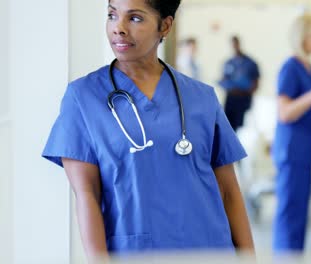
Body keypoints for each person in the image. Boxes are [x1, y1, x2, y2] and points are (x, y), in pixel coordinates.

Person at [42, 0, 254, 260]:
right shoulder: (83, 97)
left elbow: (229, 190)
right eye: (112, 15)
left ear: (165, 26)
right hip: (136, 253)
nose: (118, 28)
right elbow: (87, 194)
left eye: (135, 18)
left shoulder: (202, 97)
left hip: (209, 248)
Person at [271, 14, 311, 252]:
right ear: (301, 38)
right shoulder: (291, 67)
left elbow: (309, 109)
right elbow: (284, 112)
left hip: (305, 149)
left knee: (300, 212)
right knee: (290, 213)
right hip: (292, 149)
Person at [218, 36, 260, 132]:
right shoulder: (228, 62)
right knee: (228, 127)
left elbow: (256, 83)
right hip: (230, 100)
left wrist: (245, 91)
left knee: (243, 129)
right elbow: (224, 79)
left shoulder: (250, 63)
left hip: (244, 100)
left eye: (235, 44)